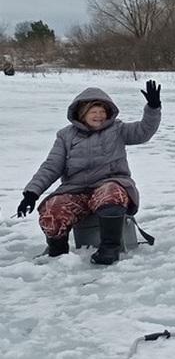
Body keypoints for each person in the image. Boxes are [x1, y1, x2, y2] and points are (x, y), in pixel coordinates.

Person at [15, 81, 162, 264]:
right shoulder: (65, 136)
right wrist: (31, 193)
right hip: (76, 189)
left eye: (102, 112)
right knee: (53, 208)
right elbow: (51, 166)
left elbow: (143, 131)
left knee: (110, 193)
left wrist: (153, 108)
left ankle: (110, 248)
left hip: (109, 184)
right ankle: (58, 252)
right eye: (94, 112)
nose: (99, 116)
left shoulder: (118, 129)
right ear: (82, 113)